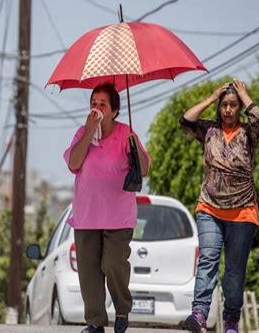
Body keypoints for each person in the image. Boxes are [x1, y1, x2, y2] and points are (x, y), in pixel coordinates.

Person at [63, 82, 150, 333]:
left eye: (102, 104)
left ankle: (122, 309)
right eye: (93, 103)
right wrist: (89, 132)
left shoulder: (125, 133)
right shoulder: (82, 133)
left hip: (118, 217)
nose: (96, 108)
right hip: (87, 215)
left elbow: (143, 169)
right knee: (89, 272)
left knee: (113, 263)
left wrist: (136, 146)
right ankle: (96, 322)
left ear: (114, 111)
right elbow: (73, 163)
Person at [179, 79, 259, 333]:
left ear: (239, 108)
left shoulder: (249, 134)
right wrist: (211, 96)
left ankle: (230, 321)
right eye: (224, 105)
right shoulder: (209, 131)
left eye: (233, 105)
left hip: (243, 211)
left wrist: (244, 94)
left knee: (235, 273)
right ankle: (199, 315)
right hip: (210, 209)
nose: (228, 109)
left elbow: (258, 118)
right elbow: (186, 120)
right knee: (207, 260)